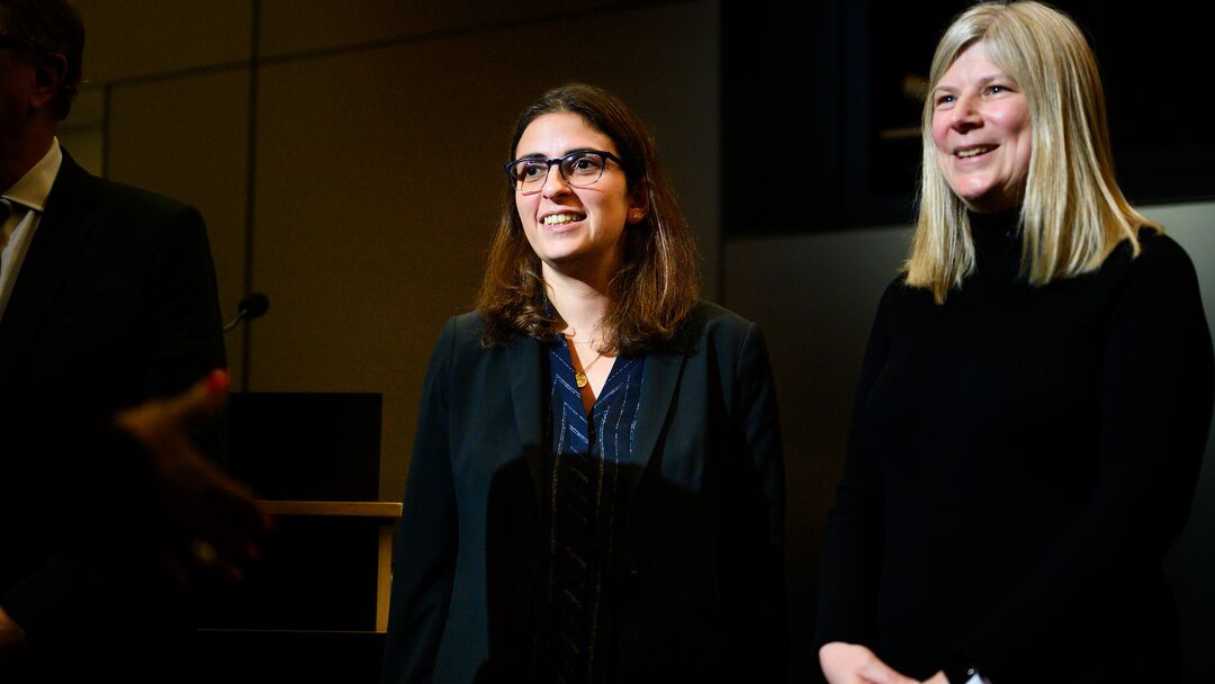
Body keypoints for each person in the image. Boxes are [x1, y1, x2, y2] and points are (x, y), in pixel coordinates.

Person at [815, 3, 1214, 683]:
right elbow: (860, 492)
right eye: (944, 97)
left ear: (1059, 109)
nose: (959, 116)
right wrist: (839, 642)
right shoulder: (910, 296)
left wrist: (974, 672)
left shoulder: (1144, 274)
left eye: (993, 89)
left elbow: (1130, 515)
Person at [381, 83, 787, 683]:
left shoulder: (724, 351)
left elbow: (757, 577)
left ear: (639, 198)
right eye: (531, 170)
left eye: (583, 164)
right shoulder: (467, 352)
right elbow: (425, 568)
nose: (554, 187)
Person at [0, 0, 256, 679]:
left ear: (44, 78)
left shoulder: (149, 239)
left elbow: (172, 465)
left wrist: (24, 617)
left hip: (66, 646)